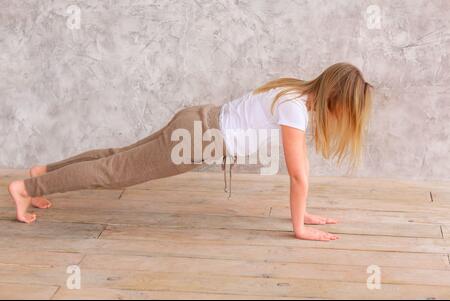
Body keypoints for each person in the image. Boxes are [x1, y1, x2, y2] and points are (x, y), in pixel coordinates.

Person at [8, 62, 373, 242]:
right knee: (113, 172)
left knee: (115, 156)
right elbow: (298, 173)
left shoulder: (293, 91)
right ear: (336, 100)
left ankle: (43, 174)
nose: (347, 117)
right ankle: (26, 189)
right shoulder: (295, 108)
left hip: (197, 118)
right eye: (350, 110)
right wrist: (299, 228)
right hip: (201, 137)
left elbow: (299, 170)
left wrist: (303, 211)